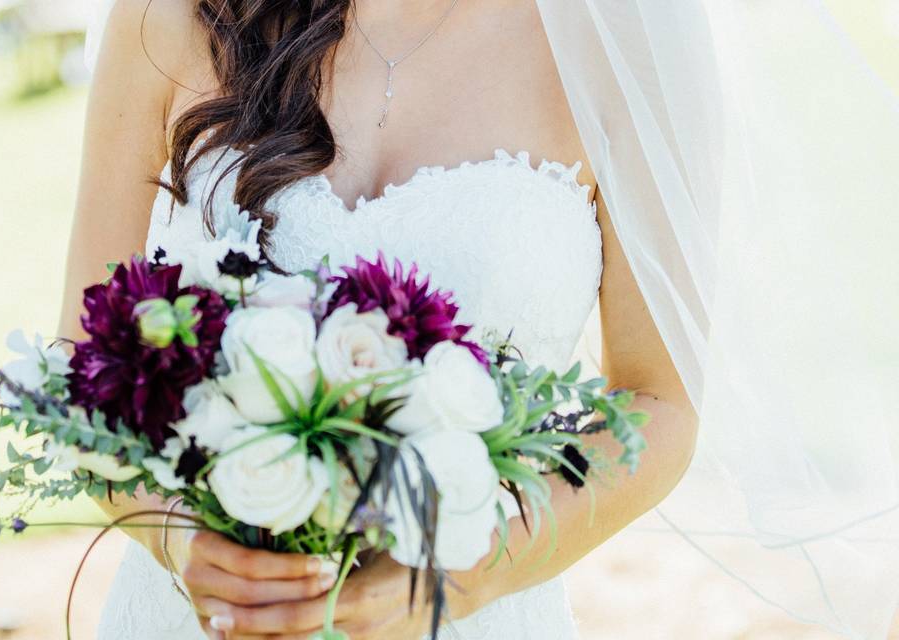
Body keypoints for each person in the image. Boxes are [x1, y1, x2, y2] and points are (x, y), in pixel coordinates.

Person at [60, 1, 696, 638]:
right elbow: (76, 367)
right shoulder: (171, 17)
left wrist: (466, 573)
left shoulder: (617, 39)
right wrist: (182, 539)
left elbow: (661, 404)